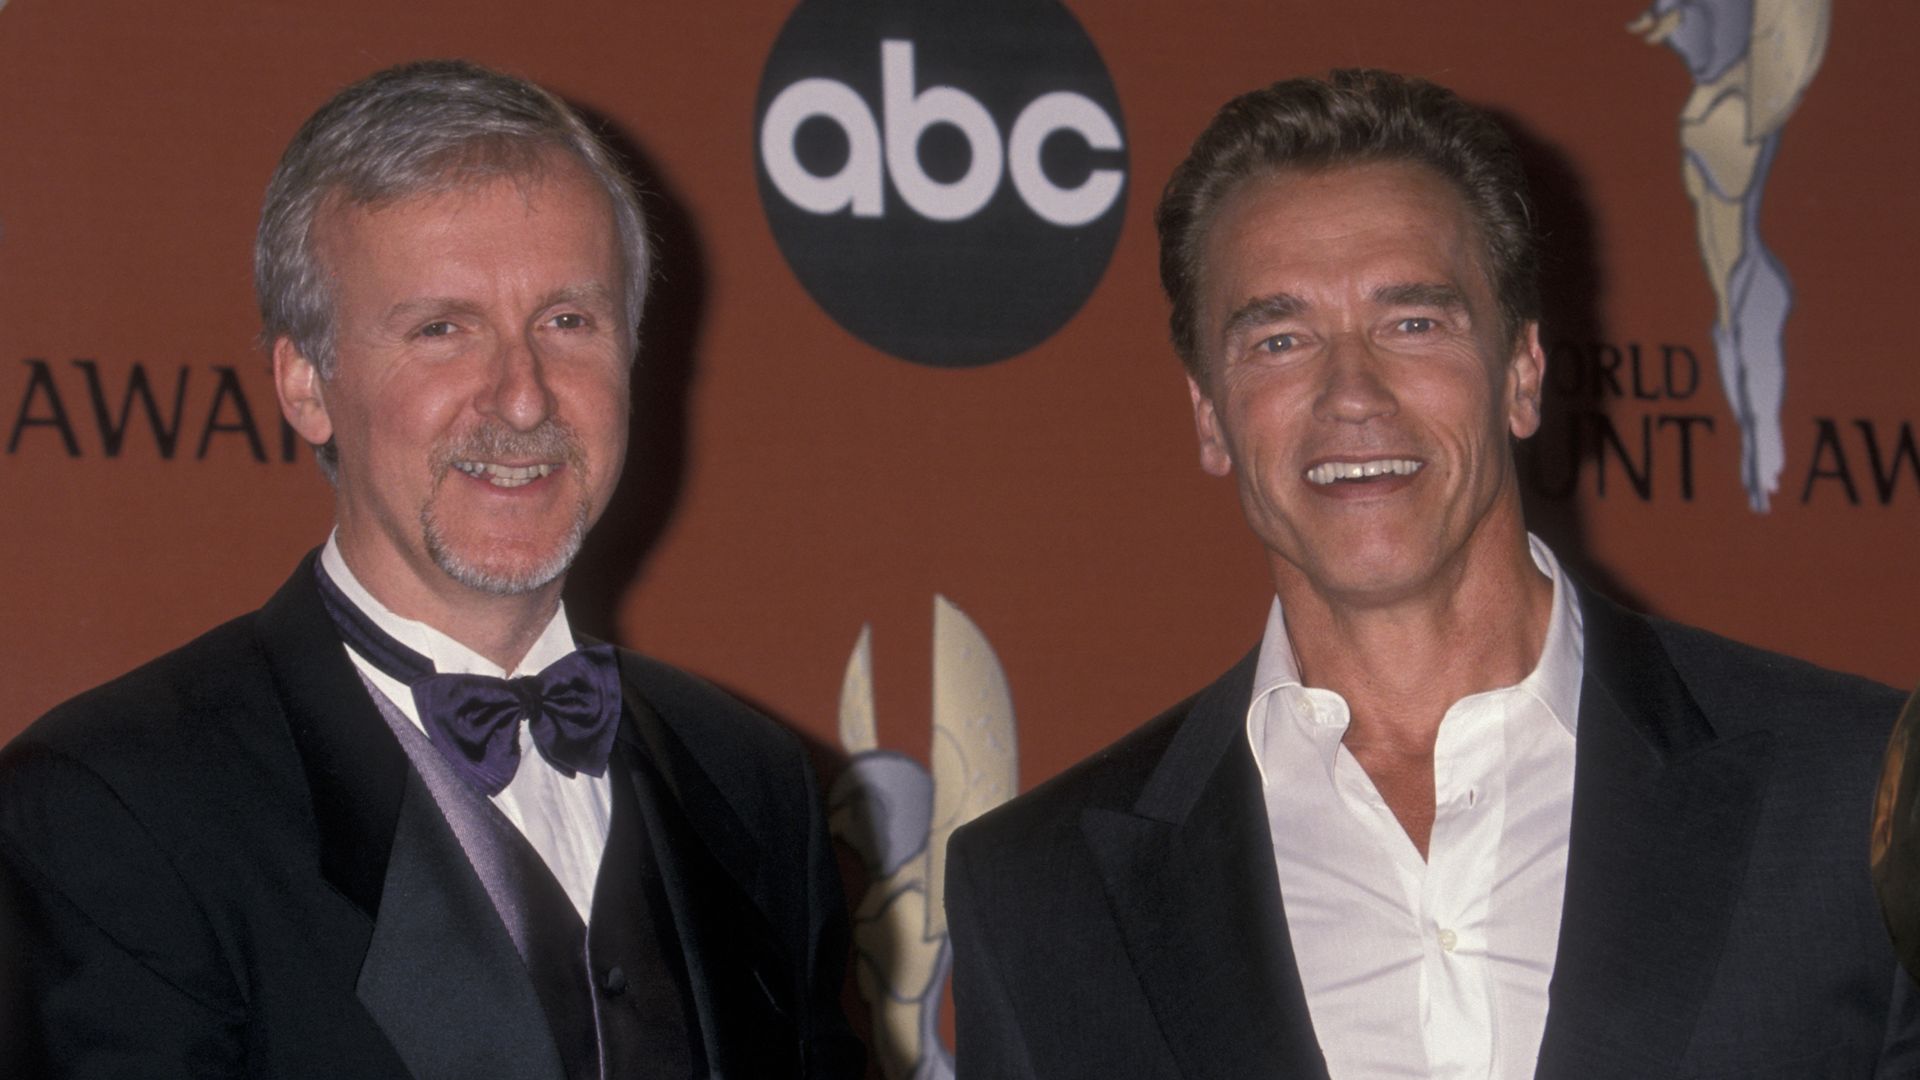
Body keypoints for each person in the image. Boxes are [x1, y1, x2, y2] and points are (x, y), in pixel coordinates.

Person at [945, 69, 1917, 1079]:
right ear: (1209, 416)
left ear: (1522, 373)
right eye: (1280, 339)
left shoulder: (1857, 795)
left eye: (1413, 323)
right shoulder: (1040, 897)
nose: (1351, 393)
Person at [0, 59, 862, 1079]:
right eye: (442, 329)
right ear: (306, 384)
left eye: (568, 321)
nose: (524, 397)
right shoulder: (116, 807)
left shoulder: (752, 782)